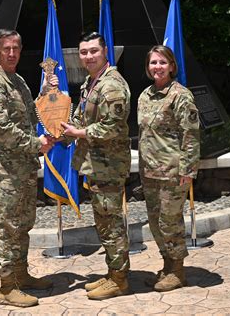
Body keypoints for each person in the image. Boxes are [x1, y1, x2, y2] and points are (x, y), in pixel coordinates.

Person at [0, 29, 56, 307]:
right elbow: (2, 129)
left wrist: (49, 98)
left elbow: (29, 113)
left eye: (16, 48)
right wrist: (37, 143)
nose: (12, 53)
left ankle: (21, 275)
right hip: (8, 169)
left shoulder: (17, 80)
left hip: (23, 166)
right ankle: (7, 287)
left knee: (24, 224)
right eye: (6, 48)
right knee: (10, 227)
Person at [61, 32, 131, 300]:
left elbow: (112, 127)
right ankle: (113, 274)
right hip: (96, 165)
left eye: (93, 51)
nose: (88, 56)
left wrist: (79, 133)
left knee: (111, 224)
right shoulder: (93, 82)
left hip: (108, 165)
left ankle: (121, 280)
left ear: (105, 52)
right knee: (104, 223)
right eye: (83, 52)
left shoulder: (111, 85)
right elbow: (83, 117)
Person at [137, 45, 200, 292]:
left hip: (173, 172)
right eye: (153, 63)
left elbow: (191, 135)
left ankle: (177, 271)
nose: (157, 67)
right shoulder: (145, 95)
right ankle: (166, 265)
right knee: (155, 221)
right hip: (150, 172)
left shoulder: (181, 96)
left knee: (170, 221)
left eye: (162, 63)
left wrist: (188, 170)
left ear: (172, 66)